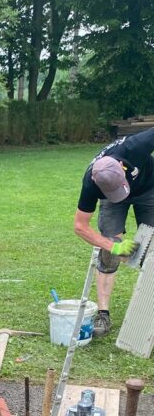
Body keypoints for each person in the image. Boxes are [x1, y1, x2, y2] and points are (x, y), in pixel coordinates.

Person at [74, 127, 154, 337]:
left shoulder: (136, 146)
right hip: (110, 201)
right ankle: (103, 313)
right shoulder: (91, 183)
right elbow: (80, 226)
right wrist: (113, 245)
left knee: (153, 247)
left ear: (121, 166)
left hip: (148, 189)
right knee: (108, 249)